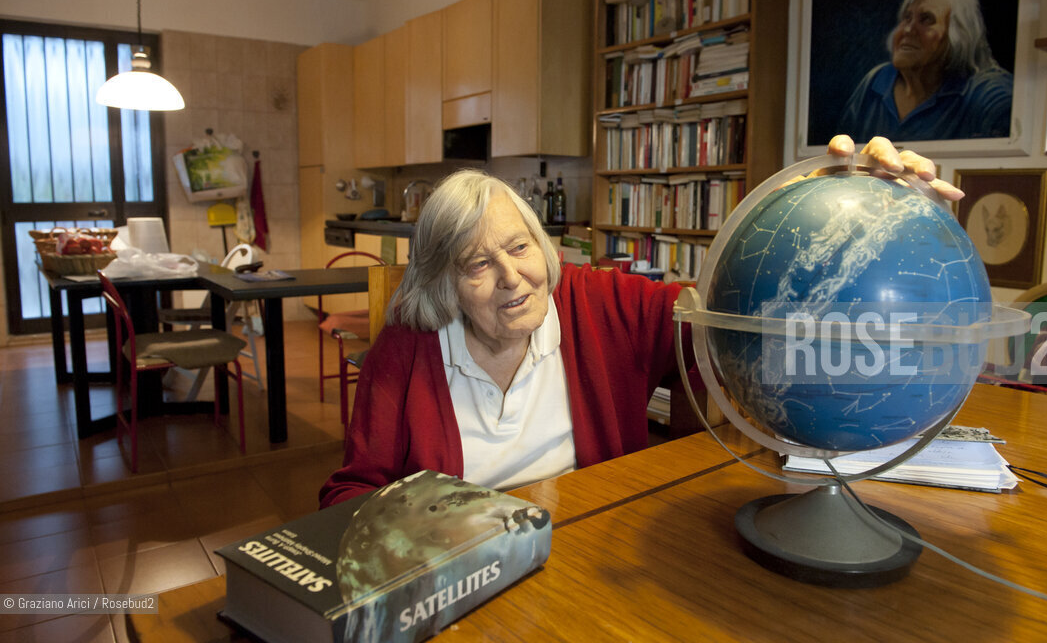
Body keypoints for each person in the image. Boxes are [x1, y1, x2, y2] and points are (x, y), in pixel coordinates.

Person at [319, 136, 963, 508]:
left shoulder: (603, 305)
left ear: (542, 246)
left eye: (518, 248)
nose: (511, 277)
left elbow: (732, 318)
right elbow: (350, 493)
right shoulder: (408, 349)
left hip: (592, 548)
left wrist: (860, 216)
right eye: (476, 264)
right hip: (463, 579)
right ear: (444, 283)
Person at [837, 0, 1013, 142]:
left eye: (926, 19)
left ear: (959, 35)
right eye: (907, 18)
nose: (908, 30)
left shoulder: (988, 91)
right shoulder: (876, 81)